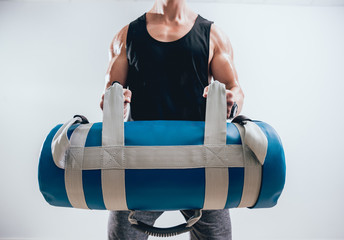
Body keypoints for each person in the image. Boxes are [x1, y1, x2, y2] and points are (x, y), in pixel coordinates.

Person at [100, 0, 244, 239]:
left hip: (201, 165)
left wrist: (232, 101)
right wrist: (113, 101)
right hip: (140, 167)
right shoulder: (125, 36)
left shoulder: (213, 36)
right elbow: (109, 92)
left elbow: (235, 89)